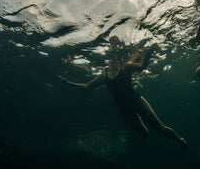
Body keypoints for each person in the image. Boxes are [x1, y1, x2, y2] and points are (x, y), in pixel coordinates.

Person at [59, 36, 188, 151]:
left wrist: (149, 52)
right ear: (108, 59)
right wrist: (69, 83)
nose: (113, 60)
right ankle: (142, 128)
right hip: (125, 110)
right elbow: (87, 86)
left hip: (137, 101)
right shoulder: (104, 74)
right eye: (111, 58)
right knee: (144, 134)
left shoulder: (126, 67)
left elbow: (143, 66)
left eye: (115, 57)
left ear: (119, 57)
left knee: (160, 128)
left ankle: (179, 140)